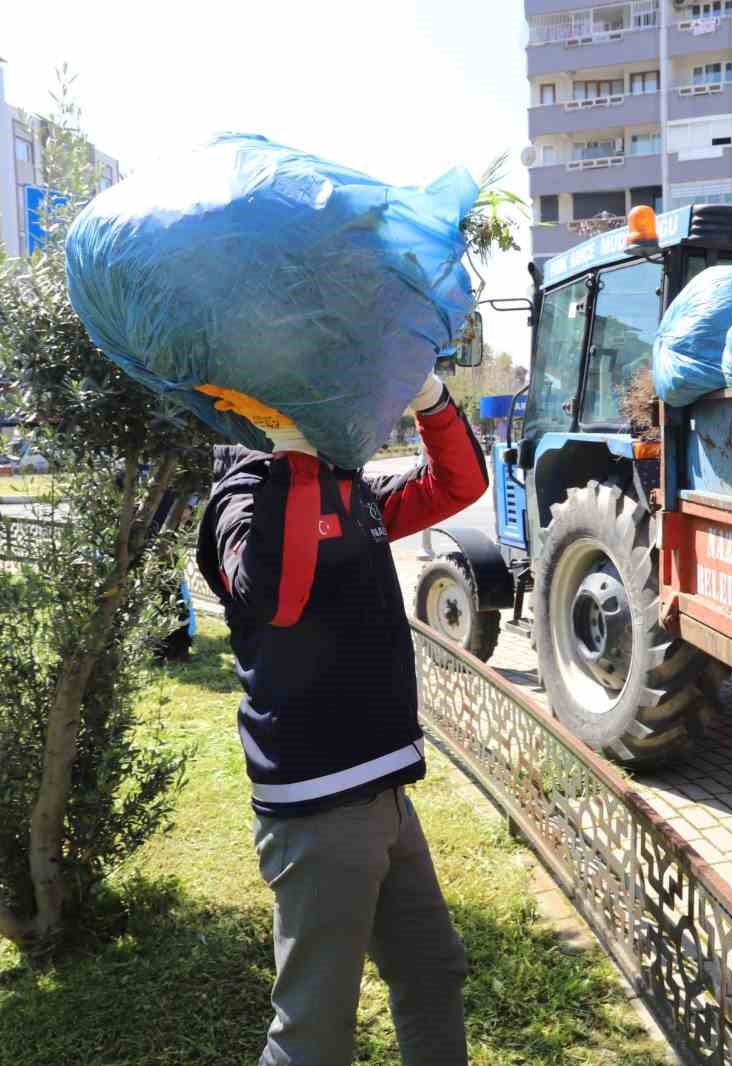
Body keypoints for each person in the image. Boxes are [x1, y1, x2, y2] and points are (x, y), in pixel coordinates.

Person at [195, 371, 488, 1066]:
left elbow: (458, 485)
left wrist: (429, 398)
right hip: (319, 807)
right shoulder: (238, 502)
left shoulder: (352, 490)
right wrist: (291, 455)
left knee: (432, 970)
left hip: (385, 791)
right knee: (314, 1032)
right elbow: (276, 595)